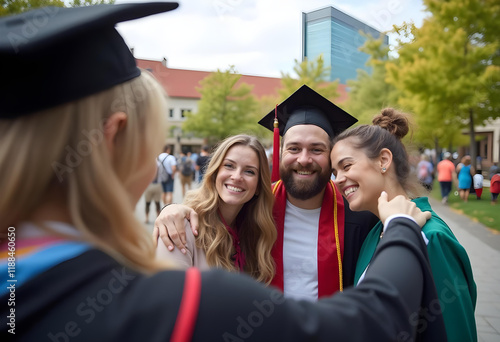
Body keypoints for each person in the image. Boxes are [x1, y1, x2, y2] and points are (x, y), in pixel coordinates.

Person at [0, 4, 449, 341]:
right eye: (152, 139)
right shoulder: (177, 301)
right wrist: (404, 228)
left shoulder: (21, 278)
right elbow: (369, 324)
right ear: (113, 138)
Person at [155, 85, 380, 301]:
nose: (303, 159)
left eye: (316, 149)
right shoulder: (257, 206)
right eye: (293, 148)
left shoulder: (358, 214)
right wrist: (171, 210)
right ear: (280, 152)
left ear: (330, 155)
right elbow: (213, 212)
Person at [330, 108, 477, 342]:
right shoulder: (376, 233)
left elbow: (455, 331)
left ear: (383, 160)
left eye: (346, 166)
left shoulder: (432, 238)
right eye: (334, 171)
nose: (337, 179)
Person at [156, 135, 276, 284]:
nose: (237, 177)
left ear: (259, 185)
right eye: (229, 166)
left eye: (249, 171)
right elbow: (169, 300)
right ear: (215, 173)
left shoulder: (255, 234)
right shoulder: (181, 228)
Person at [143, 159, 164, 223]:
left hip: (149, 185)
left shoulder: (147, 164)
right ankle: (158, 217)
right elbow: (161, 174)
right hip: (157, 184)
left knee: (147, 203)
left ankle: (147, 218)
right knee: (157, 203)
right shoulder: (159, 164)